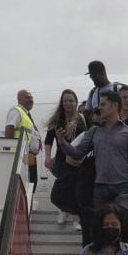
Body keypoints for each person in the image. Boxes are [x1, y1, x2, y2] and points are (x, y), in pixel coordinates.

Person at [57, 89, 128, 218]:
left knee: (124, 226)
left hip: (123, 187)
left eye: (103, 104)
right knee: (101, 227)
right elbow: (78, 153)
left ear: (114, 105)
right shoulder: (94, 131)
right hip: (100, 187)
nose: (100, 107)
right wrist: (62, 143)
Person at [45, 89, 84, 228]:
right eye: (65, 100)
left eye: (71, 100)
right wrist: (48, 158)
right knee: (63, 188)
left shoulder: (81, 119)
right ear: (62, 103)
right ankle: (63, 209)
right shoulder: (57, 120)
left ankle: (75, 219)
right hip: (61, 159)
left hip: (75, 158)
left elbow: (85, 139)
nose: (68, 103)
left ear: (75, 102)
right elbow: (48, 140)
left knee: (75, 187)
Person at [7, 88, 40, 211]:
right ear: (19, 99)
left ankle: (29, 202)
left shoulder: (26, 114)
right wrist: (9, 149)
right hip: (20, 154)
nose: (31, 99)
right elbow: (9, 128)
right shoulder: (17, 111)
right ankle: (25, 205)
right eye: (27, 97)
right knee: (25, 181)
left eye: (31, 97)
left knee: (32, 180)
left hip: (29, 154)